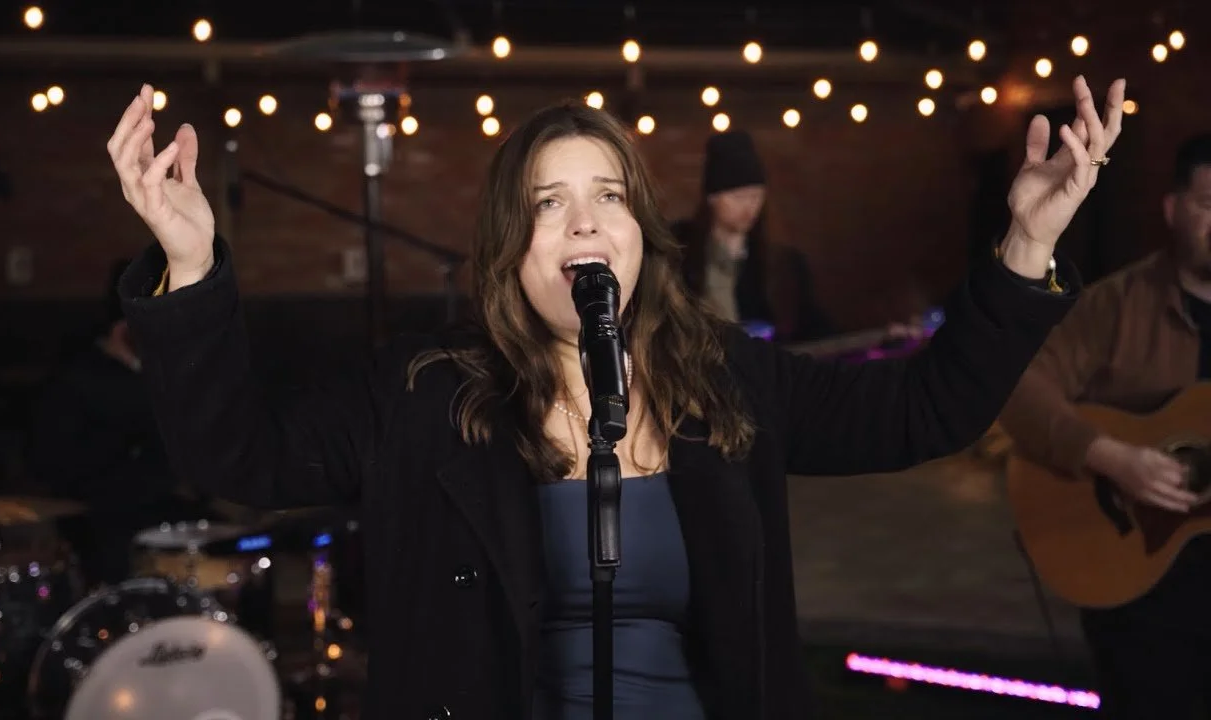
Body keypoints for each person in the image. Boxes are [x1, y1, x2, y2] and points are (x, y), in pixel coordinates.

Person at [107, 75, 1121, 719]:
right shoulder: (421, 395)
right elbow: (235, 454)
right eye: (548, 204)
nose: (584, 223)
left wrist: (1025, 245)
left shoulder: (725, 377)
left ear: (640, 235)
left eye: (608, 197)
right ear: (510, 251)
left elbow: (921, 411)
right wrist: (188, 263)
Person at [999, 133, 1211, 719]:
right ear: (1173, 209)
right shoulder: (1116, 304)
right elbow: (1020, 387)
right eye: (1209, 204)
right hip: (1138, 578)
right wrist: (1109, 456)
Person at [28, 260, 210, 588]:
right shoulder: (76, 382)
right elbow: (56, 470)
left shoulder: (162, 374)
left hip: (168, 513)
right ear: (125, 325)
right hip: (106, 525)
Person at [671, 130, 918, 346]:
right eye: (738, 197)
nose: (749, 206)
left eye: (756, 196)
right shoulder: (679, 254)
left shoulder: (783, 264)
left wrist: (877, 336)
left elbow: (814, 327)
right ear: (712, 197)